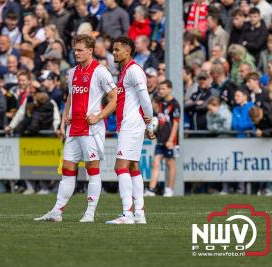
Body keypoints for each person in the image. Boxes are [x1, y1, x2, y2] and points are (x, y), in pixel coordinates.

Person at [34, 34, 117, 223]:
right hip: (74, 128)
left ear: (90, 50)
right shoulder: (72, 72)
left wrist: (99, 116)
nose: (76, 53)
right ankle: (57, 211)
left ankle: (90, 212)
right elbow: (71, 95)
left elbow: (115, 97)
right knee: (67, 170)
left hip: (91, 129)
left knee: (92, 170)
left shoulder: (100, 71)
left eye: (80, 50)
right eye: (75, 50)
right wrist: (66, 113)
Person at [105, 36, 153, 225]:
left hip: (131, 125)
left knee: (120, 167)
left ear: (128, 51)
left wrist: (150, 125)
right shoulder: (125, 71)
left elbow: (145, 99)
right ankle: (139, 214)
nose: (114, 53)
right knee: (133, 167)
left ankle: (127, 214)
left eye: (117, 50)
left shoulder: (133, 70)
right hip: (130, 125)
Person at [145, 80, 180, 197]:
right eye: (159, 89)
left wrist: (171, 140)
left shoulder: (175, 104)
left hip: (171, 140)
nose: (161, 91)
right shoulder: (159, 102)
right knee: (155, 162)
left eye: (163, 89)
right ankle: (151, 189)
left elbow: (175, 124)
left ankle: (169, 189)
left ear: (170, 89)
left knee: (170, 163)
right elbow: (156, 119)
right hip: (160, 138)